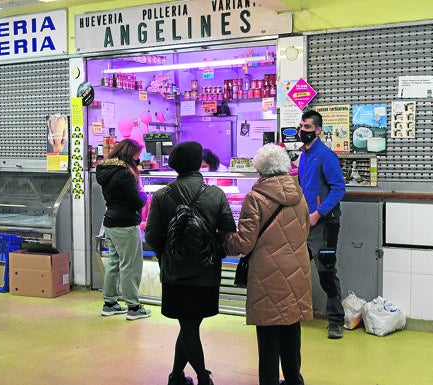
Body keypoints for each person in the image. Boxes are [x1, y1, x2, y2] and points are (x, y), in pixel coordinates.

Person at [145, 141, 236, 385]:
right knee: (190, 324)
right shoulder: (215, 194)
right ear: (199, 164)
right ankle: (202, 377)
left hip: (174, 272)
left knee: (188, 324)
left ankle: (176, 377)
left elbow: (152, 235)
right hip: (206, 272)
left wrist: (165, 255)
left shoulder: (162, 195)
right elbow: (228, 230)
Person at [226, 143, 312, 385]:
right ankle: (294, 379)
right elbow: (305, 229)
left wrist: (223, 239)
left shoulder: (255, 197)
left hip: (267, 273)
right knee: (291, 329)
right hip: (296, 269)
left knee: (268, 334)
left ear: (259, 169)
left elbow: (244, 243)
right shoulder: (298, 193)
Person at [297, 110, 347, 339]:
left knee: (326, 272)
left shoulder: (326, 156)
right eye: (301, 127)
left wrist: (318, 213)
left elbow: (339, 188)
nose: (302, 131)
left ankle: (336, 320)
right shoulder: (304, 156)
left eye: (307, 127)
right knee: (295, 268)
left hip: (325, 224)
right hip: (304, 223)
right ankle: (294, 314)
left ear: (318, 130)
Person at [95, 139, 151, 321]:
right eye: (137, 155)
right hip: (126, 224)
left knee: (114, 263)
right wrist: (144, 193)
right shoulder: (125, 174)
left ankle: (109, 303)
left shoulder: (106, 170)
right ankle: (133, 307)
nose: (138, 159)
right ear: (130, 154)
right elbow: (137, 201)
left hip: (110, 222)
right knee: (130, 265)